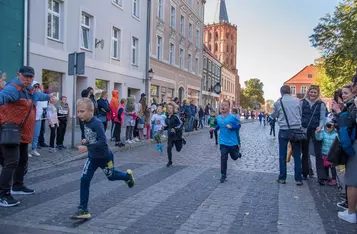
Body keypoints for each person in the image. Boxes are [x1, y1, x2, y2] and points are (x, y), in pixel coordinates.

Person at [71, 98, 135, 219]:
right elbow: (91, 136)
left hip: (105, 157)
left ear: (91, 111)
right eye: (78, 111)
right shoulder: (84, 121)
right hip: (92, 158)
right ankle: (83, 209)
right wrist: (86, 140)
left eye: (82, 111)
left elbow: (102, 141)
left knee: (111, 176)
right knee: (84, 179)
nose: (79, 114)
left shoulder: (97, 123)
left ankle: (128, 176)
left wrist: (88, 147)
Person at [0, 66, 51, 207]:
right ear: (19, 75)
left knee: (22, 161)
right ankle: (3, 195)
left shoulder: (28, 90)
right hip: (10, 132)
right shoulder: (13, 89)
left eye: (31, 77)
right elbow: (2, 97)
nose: (28, 79)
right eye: (26, 76)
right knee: (11, 162)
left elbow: (39, 96)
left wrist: (49, 96)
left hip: (21, 133)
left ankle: (17, 186)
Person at [332, 84, 357, 224]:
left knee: (352, 180)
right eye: (343, 94)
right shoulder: (351, 105)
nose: (345, 95)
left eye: (347, 92)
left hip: (353, 143)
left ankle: (351, 212)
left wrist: (339, 112)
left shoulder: (354, 105)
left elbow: (348, 122)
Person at [271, 85, 303, 186]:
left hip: (284, 130)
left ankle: (282, 178)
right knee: (297, 155)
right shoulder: (297, 101)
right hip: (297, 130)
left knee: (282, 154)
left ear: (281, 92)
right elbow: (300, 114)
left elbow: (273, 115)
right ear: (290, 92)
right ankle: (298, 179)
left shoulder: (278, 103)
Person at [300, 85, 327, 184]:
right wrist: (300, 126)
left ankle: (321, 177)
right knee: (305, 151)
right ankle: (305, 172)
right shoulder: (302, 103)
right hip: (304, 129)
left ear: (317, 93)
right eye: (311, 92)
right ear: (308, 92)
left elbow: (322, 118)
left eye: (315, 92)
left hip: (316, 129)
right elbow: (299, 115)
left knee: (318, 153)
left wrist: (320, 126)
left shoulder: (321, 104)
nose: (313, 94)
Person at [215, 100, 241, 183]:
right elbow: (219, 125)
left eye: (225, 105)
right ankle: (223, 175)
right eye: (222, 105)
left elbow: (239, 125)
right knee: (223, 157)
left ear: (229, 107)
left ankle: (237, 154)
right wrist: (214, 129)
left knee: (234, 157)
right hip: (223, 142)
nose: (223, 107)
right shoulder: (218, 117)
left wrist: (232, 127)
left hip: (233, 142)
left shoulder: (232, 117)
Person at [315, 120, 338, 186]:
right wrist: (317, 132)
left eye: (331, 126)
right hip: (324, 153)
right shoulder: (323, 132)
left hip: (332, 154)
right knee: (325, 166)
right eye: (328, 126)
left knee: (332, 167)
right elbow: (319, 138)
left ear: (333, 127)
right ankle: (327, 176)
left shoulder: (336, 134)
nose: (329, 128)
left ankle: (334, 179)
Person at [30, 81, 47, 156]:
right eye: (35, 86)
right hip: (30, 118)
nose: (36, 88)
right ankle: (27, 150)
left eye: (37, 86)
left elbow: (44, 104)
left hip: (38, 117)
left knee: (36, 134)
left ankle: (34, 149)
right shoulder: (29, 94)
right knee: (29, 135)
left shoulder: (39, 94)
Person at [164, 103, 183, 167]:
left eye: (170, 108)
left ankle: (181, 140)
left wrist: (175, 129)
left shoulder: (175, 116)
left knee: (178, 149)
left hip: (177, 136)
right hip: (170, 136)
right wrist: (163, 128)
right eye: (168, 108)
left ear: (173, 109)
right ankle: (170, 161)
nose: (169, 110)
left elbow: (181, 124)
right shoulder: (166, 118)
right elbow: (168, 126)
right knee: (169, 148)